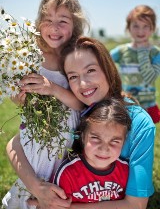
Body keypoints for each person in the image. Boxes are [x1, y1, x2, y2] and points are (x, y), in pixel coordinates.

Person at [5, 36, 155, 209]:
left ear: (108, 69)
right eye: (73, 76)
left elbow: (136, 204)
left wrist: (58, 206)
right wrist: (36, 188)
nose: (83, 84)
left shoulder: (140, 123)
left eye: (90, 70)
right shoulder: (75, 110)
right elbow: (16, 142)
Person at [2, 0, 89, 209]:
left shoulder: (77, 56)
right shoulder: (30, 54)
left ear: (75, 25)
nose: (54, 27)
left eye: (63, 21)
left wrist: (54, 89)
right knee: (34, 180)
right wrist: (19, 97)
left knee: (63, 188)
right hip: (38, 136)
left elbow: (82, 103)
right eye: (48, 19)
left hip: (69, 140)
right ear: (39, 22)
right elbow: (16, 90)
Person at [53, 98, 132, 202]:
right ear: (83, 136)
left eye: (114, 141)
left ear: (124, 141)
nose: (104, 149)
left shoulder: (126, 171)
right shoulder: (68, 173)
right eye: (95, 138)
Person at [110, 5, 160, 124]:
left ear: (152, 29)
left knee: (146, 136)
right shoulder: (122, 51)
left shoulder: (156, 53)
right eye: (136, 26)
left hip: (148, 105)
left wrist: (142, 51)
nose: (140, 31)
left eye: (145, 26)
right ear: (128, 28)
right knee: (126, 136)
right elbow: (103, 60)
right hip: (127, 103)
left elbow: (150, 77)